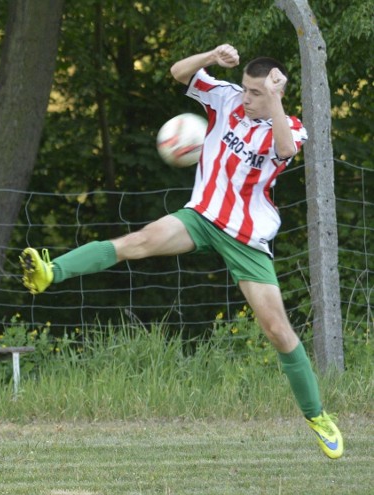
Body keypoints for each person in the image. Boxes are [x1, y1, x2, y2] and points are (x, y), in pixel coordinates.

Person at [20, 44, 343, 459]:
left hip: (246, 238)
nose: (246, 98)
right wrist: (210, 56)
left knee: (278, 332)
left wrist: (275, 99)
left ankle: (316, 415)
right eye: (245, 89)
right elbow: (177, 72)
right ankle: (51, 271)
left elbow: (284, 150)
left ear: (275, 93)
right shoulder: (226, 98)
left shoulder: (288, 125)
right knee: (137, 242)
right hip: (200, 215)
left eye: (256, 93)